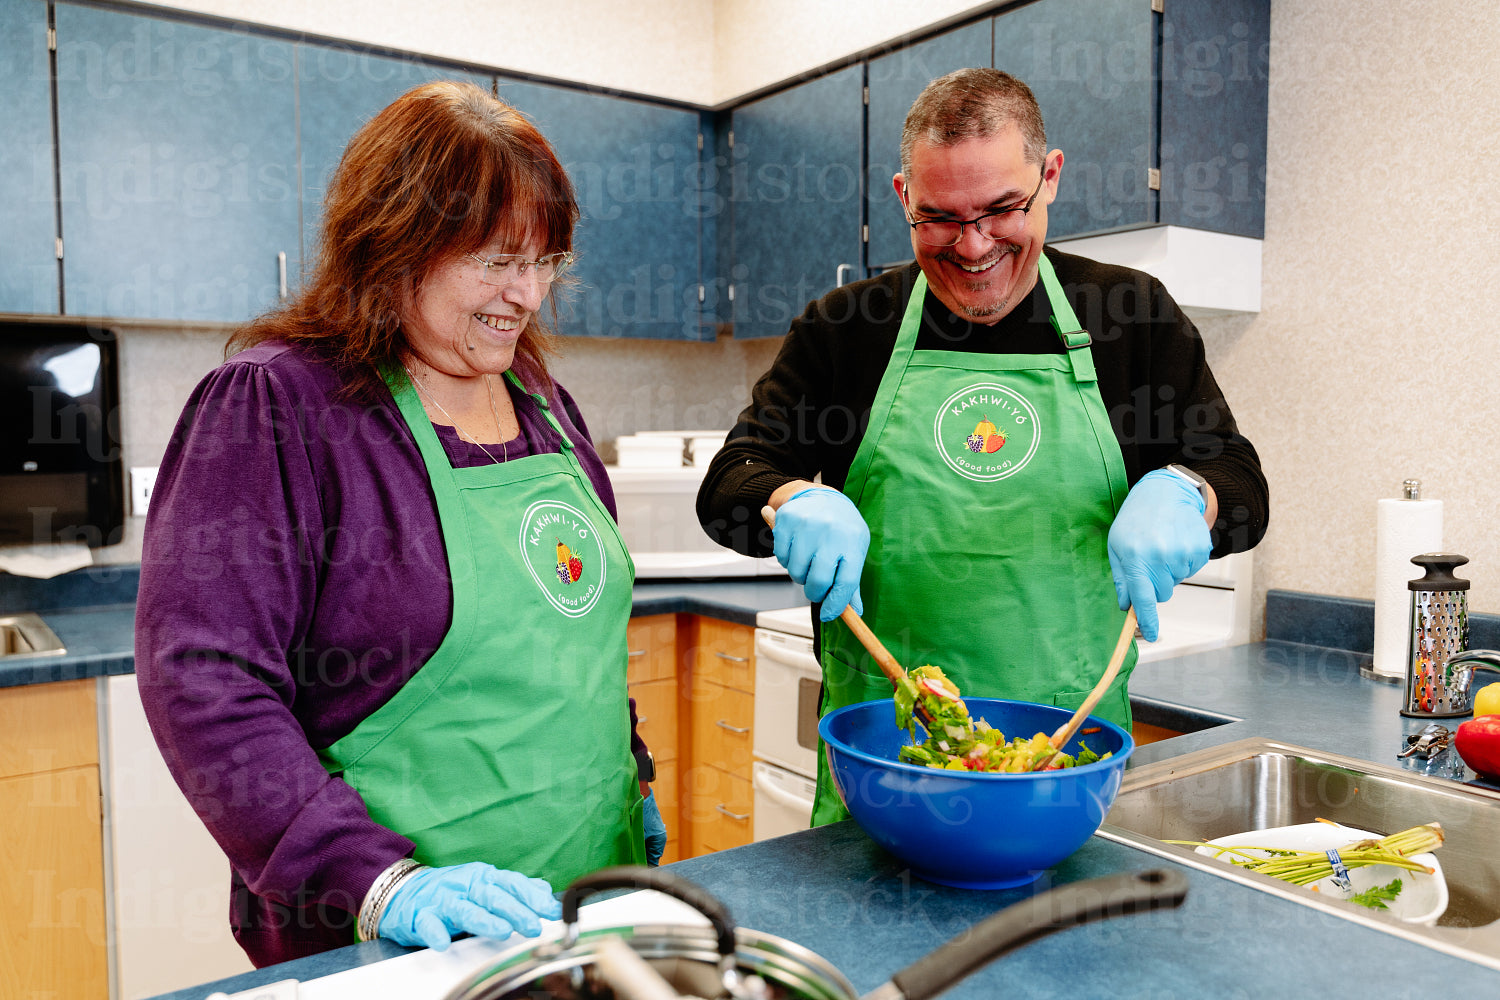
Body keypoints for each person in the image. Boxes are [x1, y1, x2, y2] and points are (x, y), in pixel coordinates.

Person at [134, 80, 666, 967]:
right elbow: (202, 677)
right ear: (393, 245)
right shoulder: (280, 406)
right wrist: (379, 883)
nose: (528, 293)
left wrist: (632, 773)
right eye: (497, 260)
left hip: (583, 907)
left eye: (546, 261)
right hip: (393, 938)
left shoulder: (544, 402)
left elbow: (574, 643)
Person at [696, 68, 1268, 824]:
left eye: (1002, 210)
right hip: (885, 762)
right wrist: (785, 498)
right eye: (938, 218)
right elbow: (729, 485)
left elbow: (1242, 485)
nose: (972, 247)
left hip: (1066, 761)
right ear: (904, 197)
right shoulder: (848, 327)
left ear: (1050, 177)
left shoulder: (1130, 317)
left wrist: (1189, 492)